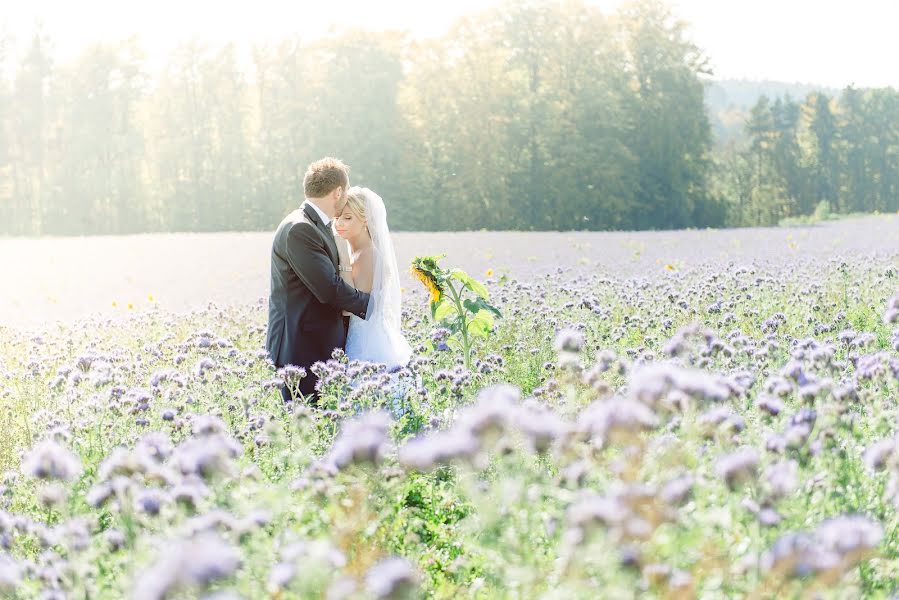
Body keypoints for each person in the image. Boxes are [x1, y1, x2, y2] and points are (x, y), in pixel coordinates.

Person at [266, 158, 370, 402]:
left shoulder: (314, 225)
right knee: (305, 426)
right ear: (337, 192)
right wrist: (373, 305)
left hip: (315, 346)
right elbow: (329, 289)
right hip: (301, 348)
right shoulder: (300, 229)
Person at [334, 186, 412, 369]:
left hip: (367, 345)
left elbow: (350, 309)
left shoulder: (368, 254)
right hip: (355, 338)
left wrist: (344, 260)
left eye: (347, 218)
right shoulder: (356, 251)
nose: (339, 224)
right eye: (337, 218)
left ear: (365, 220)